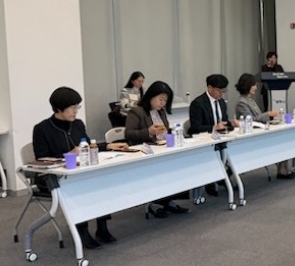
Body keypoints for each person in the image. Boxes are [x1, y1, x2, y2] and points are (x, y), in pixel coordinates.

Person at [33, 87, 129, 248]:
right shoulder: (42, 129)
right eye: (72, 107)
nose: (76, 111)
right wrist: (68, 154)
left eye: (77, 107)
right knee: (80, 186)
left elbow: (88, 146)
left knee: (102, 181)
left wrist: (109, 146)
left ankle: (102, 226)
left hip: (79, 172)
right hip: (52, 177)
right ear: (59, 108)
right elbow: (42, 160)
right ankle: (82, 230)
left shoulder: (77, 124)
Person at [125, 80, 189, 218]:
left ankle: (168, 200)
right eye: (161, 99)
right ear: (151, 96)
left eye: (165, 101)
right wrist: (148, 132)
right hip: (145, 152)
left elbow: (165, 130)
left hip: (161, 149)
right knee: (161, 169)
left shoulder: (161, 112)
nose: (162, 103)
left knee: (178, 164)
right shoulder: (137, 111)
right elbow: (128, 134)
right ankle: (154, 203)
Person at [234, 73, 295, 180]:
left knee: (282, 137)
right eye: (253, 85)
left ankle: (284, 169)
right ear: (247, 85)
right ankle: (282, 170)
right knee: (279, 140)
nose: (256, 87)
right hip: (251, 135)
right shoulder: (242, 103)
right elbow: (251, 120)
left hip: (259, 130)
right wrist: (268, 114)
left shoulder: (250, 100)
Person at [188, 74, 238, 196]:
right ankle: (215, 179)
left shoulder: (222, 103)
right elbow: (195, 128)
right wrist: (213, 127)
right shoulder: (198, 104)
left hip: (221, 138)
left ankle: (222, 177)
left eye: (223, 91)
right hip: (205, 141)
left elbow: (223, 122)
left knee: (239, 152)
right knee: (223, 152)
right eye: (219, 90)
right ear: (209, 88)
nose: (221, 94)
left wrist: (231, 124)